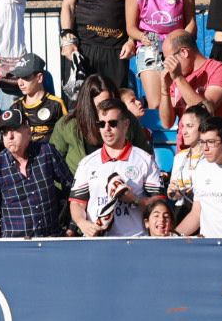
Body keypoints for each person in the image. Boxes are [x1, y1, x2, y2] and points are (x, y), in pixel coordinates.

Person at [68, 98, 163, 238]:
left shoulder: (145, 160)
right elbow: (77, 203)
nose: (106, 129)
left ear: (126, 124)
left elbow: (159, 205)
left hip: (134, 240)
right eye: (101, 124)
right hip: (99, 242)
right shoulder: (87, 163)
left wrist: (134, 199)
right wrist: (82, 223)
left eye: (112, 123)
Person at [0, 107, 72, 238]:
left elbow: (73, 189)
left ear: (28, 129)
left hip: (51, 240)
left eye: (14, 130)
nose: (9, 136)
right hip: (15, 246)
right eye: (5, 132)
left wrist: (72, 227)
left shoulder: (46, 152)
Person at [124, 0, 194, 109]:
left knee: (180, 100)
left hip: (176, 44)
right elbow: (130, 28)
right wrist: (143, 36)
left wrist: (183, 45)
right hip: (150, 44)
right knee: (156, 102)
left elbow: (191, 21)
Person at [157, 32, 222, 132]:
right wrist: (165, 90)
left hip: (212, 145)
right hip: (185, 147)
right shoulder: (176, 75)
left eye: (168, 58)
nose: (166, 64)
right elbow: (166, 123)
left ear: (183, 52)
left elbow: (204, 112)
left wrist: (178, 78)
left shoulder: (219, 69)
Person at [5, 53, 65, 142]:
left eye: (25, 77)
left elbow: (68, 135)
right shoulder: (15, 107)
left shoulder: (56, 104)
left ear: (39, 78)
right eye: (18, 78)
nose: (20, 83)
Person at [166, 104, 208, 220]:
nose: (184, 131)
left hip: (204, 213)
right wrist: (173, 193)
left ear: (202, 127)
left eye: (189, 126)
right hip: (181, 213)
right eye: (182, 126)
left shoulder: (210, 158)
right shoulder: (179, 157)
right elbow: (174, 196)